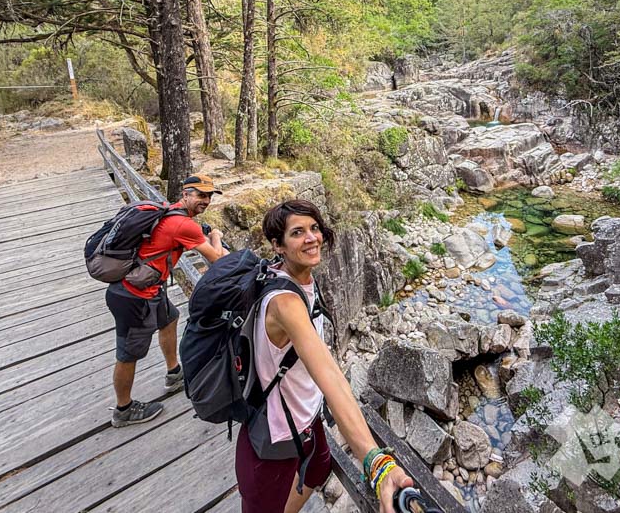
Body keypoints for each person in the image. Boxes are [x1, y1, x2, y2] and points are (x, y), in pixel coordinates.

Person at [236, 199, 413, 513]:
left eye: (314, 228)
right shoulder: (286, 304)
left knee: (318, 467)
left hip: (306, 419)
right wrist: (377, 463)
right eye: (297, 232)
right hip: (276, 437)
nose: (311, 238)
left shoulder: (286, 274)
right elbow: (331, 378)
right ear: (277, 245)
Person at [106, 174, 227, 427]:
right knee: (128, 354)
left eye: (209, 196)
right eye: (200, 195)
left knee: (170, 318)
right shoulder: (183, 225)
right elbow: (216, 258)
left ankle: (174, 373)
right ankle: (123, 410)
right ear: (185, 194)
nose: (206, 201)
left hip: (149, 289)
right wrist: (215, 235)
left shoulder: (172, 212)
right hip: (134, 297)